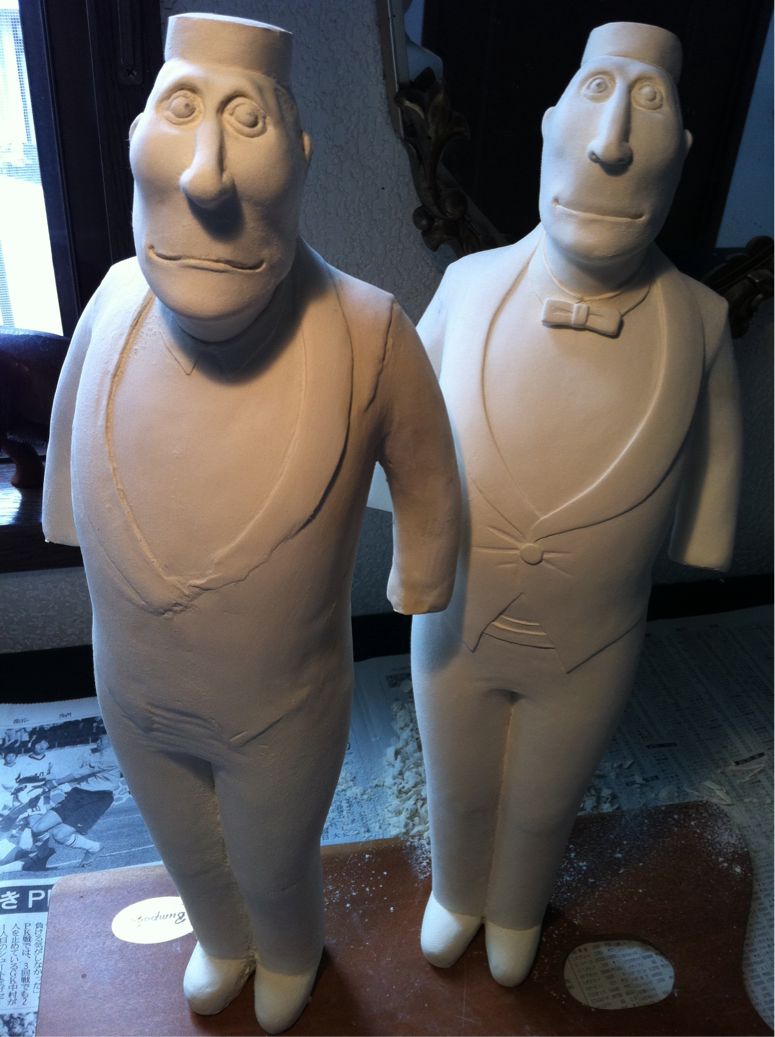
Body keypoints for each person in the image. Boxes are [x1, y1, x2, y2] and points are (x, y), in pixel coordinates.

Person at [43, 13, 459, 1033]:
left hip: (282, 704)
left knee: (274, 856)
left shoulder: (368, 331)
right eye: (181, 111)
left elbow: (428, 475)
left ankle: (287, 949)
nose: (206, 175)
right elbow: (67, 468)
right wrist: (66, 516)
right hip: (134, 691)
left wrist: (426, 567)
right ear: (138, 138)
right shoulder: (109, 306)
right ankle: (221, 940)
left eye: (246, 121)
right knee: (188, 846)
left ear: (300, 156)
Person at [411, 21, 741, 988]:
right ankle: (455, 892)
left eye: (647, 108)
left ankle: (517, 902)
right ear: (552, 123)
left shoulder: (700, 321)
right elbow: (406, 437)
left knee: (546, 795)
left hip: (595, 634)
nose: (612, 144)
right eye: (595, 98)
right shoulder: (466, 285)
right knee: (457, 778)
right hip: (457, 617)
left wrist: (705, 533)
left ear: (681, 154)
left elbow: (717, 464)